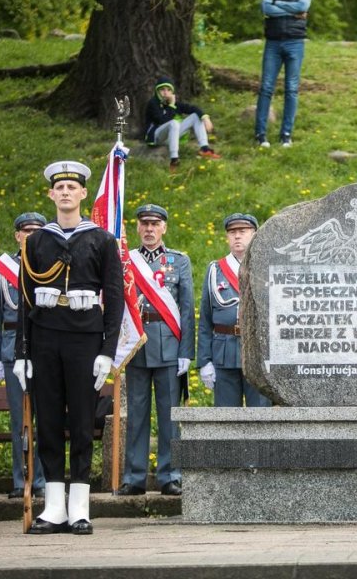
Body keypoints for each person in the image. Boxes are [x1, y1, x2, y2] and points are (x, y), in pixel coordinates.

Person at [14, 161, 124, 534]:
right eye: (58, 187)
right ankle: (54, 507)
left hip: (84, 338)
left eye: (71, 188)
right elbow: (26, 300)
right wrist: (20, 354)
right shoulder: (37, 241)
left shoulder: (102, 240)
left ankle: (79, 506)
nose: (64, 192)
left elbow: (114, 297)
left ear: (82, 194)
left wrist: (108, 351)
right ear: (50, 194)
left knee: (80, 421)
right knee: (47, 421)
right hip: (44, 337)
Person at [118, 204, 195, 497]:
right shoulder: (127, 261)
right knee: (137, 414)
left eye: (155, 223)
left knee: (169, 416)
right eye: (144, 224)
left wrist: (186, 351)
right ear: (138, 228)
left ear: (164, 227)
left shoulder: (179, 261)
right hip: (137, 344)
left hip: (169, 344)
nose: (149, 229)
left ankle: (170, 475)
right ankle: (134, 477)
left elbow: (187, 309)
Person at [0, 212, 48, 499]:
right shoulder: (3, 268)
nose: (31, 236)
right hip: (12, 349)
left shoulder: (53, 265)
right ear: (17, 235)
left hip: (45, 350)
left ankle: (45, 479)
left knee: (46, 417)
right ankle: (20, 478)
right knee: (19, 421)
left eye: (37, 231)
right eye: (26, 231)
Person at [198, 214, 271, 407]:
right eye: (232, 232)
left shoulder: (266, 267)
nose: (237, 236)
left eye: (242, 231)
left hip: (258, 355)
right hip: (224, 353)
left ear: (255, 234)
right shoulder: (215, 270)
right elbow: (205, 319)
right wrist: (204, 361)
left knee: (262, 417)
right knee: (226, 419)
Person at [254, 0, 312, 148]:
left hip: (295, 42)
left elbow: (303, 7)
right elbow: (266, 8)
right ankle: (260, 134)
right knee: (266, 88)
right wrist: (291, 9)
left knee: (292, 89)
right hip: (273, 43)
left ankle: (286, 134)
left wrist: (277, 4)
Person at [144, 77, 221, 172]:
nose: (165, 92)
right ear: (157, 91)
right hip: (157, 136)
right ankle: (174, 160)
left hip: (170, 137)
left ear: (172, 92)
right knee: (174, 123)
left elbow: (192, 108)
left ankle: (205, 149)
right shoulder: (153, 103)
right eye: (162, 89)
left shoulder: (173, 103)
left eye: (168, 90)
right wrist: (172, 105)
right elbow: (162, 120)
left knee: (195, 116)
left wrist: (205, 117)